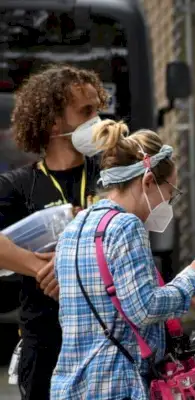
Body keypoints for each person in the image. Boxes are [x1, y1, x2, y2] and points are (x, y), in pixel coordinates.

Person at [50, 119, 195, 400]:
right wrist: (193, 280)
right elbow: (142, 309)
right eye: (170, 192)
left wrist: (179, 288)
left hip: (72, 384)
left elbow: (110, 304)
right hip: (117, 383)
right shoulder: (126, 226)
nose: (169, 202)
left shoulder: (75, 227)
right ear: (149, 181)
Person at [0, 65, 109, 400]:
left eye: (98, 109)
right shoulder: (18, 184)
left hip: (106, 338)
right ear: (53, 122)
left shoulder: (112, 174)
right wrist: (39, 267)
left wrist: (71, 271)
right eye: (86, 112)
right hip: (46, 340)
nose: (98, 121)